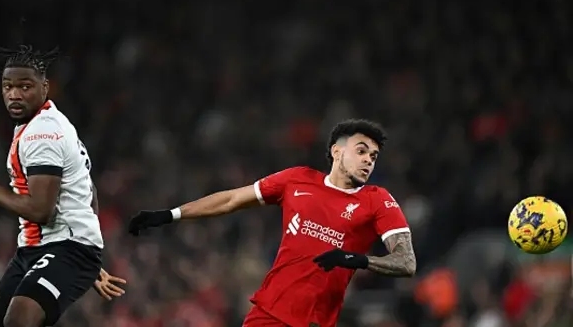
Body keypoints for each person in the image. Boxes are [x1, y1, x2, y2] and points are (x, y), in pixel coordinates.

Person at [129, 118, 417, 327]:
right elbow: (231, 200)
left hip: (314, 321)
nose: (369, 161)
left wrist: (357, 259)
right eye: (362, 151)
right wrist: (171, 214)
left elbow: (407, 262)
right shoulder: (297, 179)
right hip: (267, 314)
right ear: (336, 151)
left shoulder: (377, 200)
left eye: (374, 156)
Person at [0, 46, 127, 327]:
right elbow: (87, 188)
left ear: (44, 88)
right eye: (8, 86)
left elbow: (41, 210)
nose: (14, 94)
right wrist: (87, 250)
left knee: (19, 320)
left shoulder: (42, 133)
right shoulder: (40, 122)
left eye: (25, 86)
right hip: (38, 249)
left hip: (64, 248)